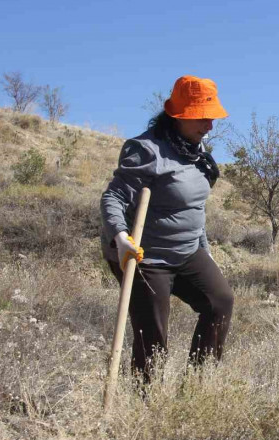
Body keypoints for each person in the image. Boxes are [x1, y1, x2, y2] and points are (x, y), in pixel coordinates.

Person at [100, 75, 234, 381]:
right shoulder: (145, 150)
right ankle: (145, 398)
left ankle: (199, 383)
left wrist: (205, 251)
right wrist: (120, 238)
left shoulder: (198, 155)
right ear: (179, 116)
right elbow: (114, 196)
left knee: (220, 301)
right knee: (153, 333)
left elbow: (195, 208)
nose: (209, 126)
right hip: (144, 255)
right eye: (202, 118)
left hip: (188, 251)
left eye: (211, 118)